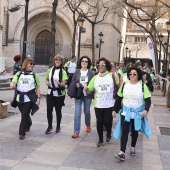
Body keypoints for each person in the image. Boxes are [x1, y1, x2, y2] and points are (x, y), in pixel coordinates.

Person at [112, 66, 151, 161]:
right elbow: (119, 98)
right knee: (124, 131)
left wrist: (146, 110)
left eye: (134, 74)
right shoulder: (125, 84)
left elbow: (148, 99)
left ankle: (133, 147)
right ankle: (122, 152)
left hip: (137, 114)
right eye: (130, 74)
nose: (132, 76)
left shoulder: (142, 86)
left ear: (138, 75)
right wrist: (114, 110)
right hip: (126, 112)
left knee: (134, 131)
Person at [84, 58, 115, 147]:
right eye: (99, 65)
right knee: (99, 122)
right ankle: (100, 139)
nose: (100, 67)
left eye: (102, 65)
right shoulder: (95, 78)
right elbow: (90, 91)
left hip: (109, 104)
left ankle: (109, 132)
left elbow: (119, 86)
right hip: (99, 104)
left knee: (107, 122)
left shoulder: (112, 76)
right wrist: (86, 90)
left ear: (107, 66)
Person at [10, 58, 40, 140]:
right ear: (26, 64)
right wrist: (12, 84)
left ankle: (21, 133)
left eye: (33, 64)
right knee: (24, 114)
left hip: (29, 99)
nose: (32, 65)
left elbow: (37, 87)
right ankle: (29, 123)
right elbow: (13, 82)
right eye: (31, 64)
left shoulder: (34, 75)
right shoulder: (19, 74)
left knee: (24, 116)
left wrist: (38, 97)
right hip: (19, 98)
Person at [71, 56, 94, 138]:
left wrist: (88, 88)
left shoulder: (91, 73)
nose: (84, 62)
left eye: (86, 61)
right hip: (78, 95)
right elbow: (73, 82)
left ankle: (88, 124)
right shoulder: (77, 72)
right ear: (80, 63)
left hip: (87, 95)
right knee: (77, 113)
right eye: (83, 61)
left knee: (86, 111)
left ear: (88, 64)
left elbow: (93, 84)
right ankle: (76, 131)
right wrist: (76, 85)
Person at [45, 54, 68, 134]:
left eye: (59, 60)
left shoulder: (63, 72)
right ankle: (49, 126)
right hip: (50, 93)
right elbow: (46, 79)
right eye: (56, 60)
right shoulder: (50, 70)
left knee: (58, 110)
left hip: (59, 94)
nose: (57, 61)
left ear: (62, 62)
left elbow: (64, 84)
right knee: (49, 110)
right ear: (54, 61)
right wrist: (47, 83)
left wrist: (59, 83)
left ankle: (58, 126)